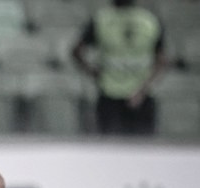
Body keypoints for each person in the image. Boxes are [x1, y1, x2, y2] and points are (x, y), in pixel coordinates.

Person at [71, 0, 168, 135]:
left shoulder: (101, 19)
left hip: (110, 91)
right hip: (140, 94)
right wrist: (144, 89)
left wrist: (93, 72)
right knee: (144, 150)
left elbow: (76, 52)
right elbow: (161, 61)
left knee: (109, 150)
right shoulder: (150, 20)